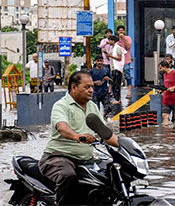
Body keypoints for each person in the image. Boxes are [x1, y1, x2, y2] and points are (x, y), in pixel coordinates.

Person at [38, 71, 119, 205]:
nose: (92, 90)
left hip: (86, 160)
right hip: (58, 157)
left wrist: (123, 148)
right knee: (68, 176)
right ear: (74, 87)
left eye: (92, 86)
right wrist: (78, 136)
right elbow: (62, 127)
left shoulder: (93, 106)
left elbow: (105, 133)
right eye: (87, 87)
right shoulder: (61, 105)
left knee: (110, 173)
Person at [159, 60, 175, 125]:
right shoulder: (164, 75)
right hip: (166, 99)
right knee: (164, 116)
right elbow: (167, 86)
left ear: (165, 67)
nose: (160, 70)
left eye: (161, 68)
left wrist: (173, 88)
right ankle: (166, 132)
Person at [103, 35, 125, 102]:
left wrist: (111, 56)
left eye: (110, 40)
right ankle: (116, 98)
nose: (109, 42)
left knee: (117, 84)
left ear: (113, 41)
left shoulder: (118, 48)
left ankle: (117, 99)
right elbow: (109, 58)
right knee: (114, 84)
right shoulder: (111, 48)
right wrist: (106, 54)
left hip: (117, 68)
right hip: (112, 68)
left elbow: (119, 58)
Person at [116, 25, 133, 99]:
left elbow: (128, 46)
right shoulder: (116, 39)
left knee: (127, 76)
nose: (121, 32)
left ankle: (129, 92)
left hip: (126, 60)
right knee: (117, 77)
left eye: (122, 30)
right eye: (119, 30)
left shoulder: (128, 38)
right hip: (118, 61)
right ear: (117, 32)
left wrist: (123, 38)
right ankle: (118, 94)